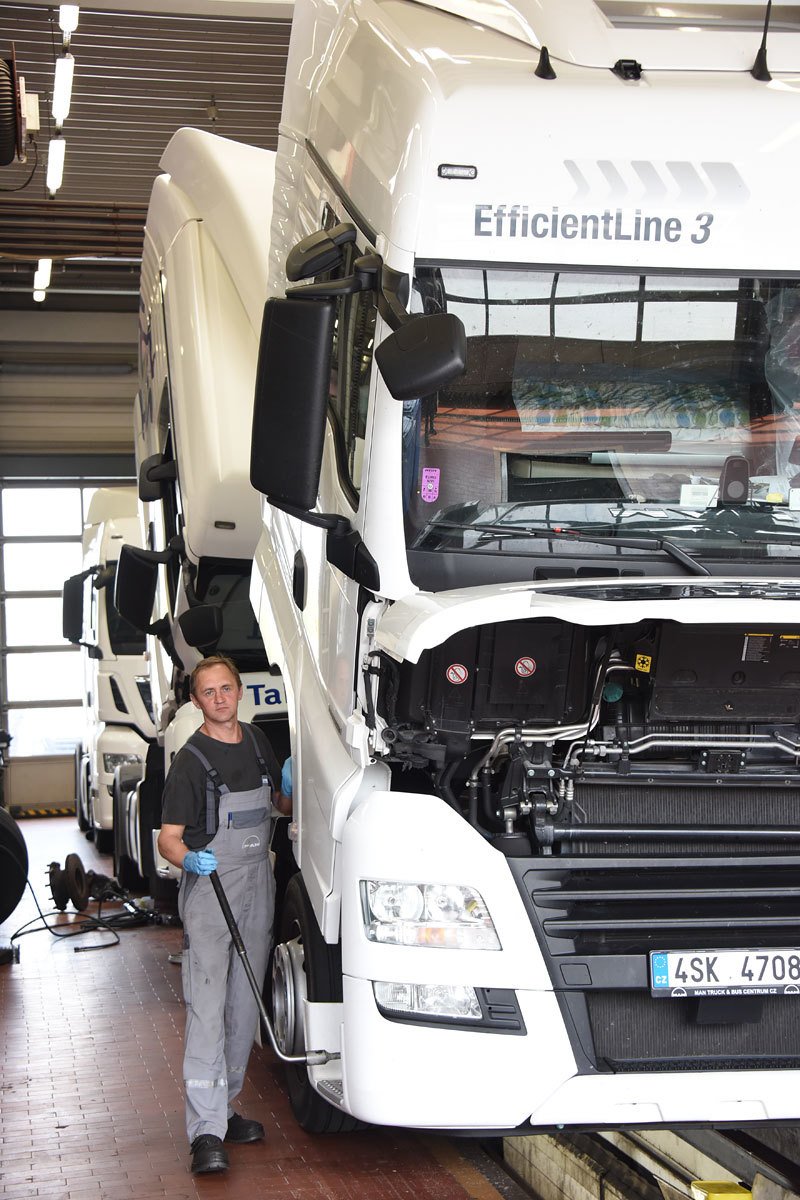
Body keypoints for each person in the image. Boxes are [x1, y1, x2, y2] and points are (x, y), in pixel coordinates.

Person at [157, 654, 292, 1175]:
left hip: (258, 880)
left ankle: (228, 1106)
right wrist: (190, 857)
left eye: (226, 689)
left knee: (243, 1008)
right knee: (208, 1008)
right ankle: (205, 1131)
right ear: (196, 701)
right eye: (208, 692)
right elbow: (170, 839)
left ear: (239, 692)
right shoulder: (189, 762)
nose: (219, 698)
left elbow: (278, 808)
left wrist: (290, 790)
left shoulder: (259, 742)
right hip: (212, 889)